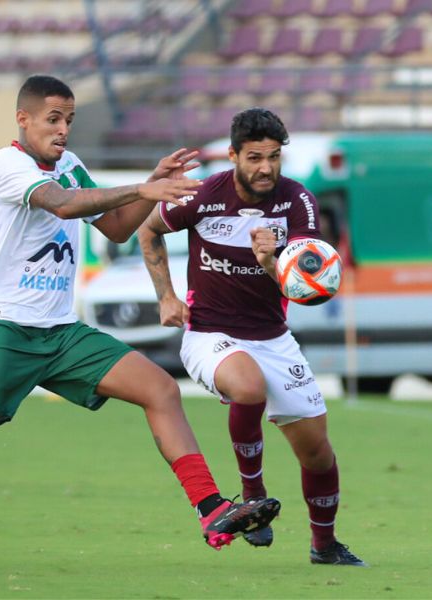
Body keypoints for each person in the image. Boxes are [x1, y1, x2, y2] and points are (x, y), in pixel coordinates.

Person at [0, 75, 280, 571]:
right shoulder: (8, 164)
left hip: (60, 331)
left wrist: (150, 184)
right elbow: (61, 203)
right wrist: (142, 186)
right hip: (4, 330)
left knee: (161, 389)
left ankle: (210, 510)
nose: (63, 129)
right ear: (23, 119)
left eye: (69, 120)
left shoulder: (71, 165)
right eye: (53, 119)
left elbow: (117, 229)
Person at [137, 107, 366, 566]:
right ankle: (253, 495)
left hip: (274, 339)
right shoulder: (203, 194)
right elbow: (148, 230)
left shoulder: (296, 201)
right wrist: (166, 296)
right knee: (247, 386)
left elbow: (305, 286)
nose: (266, 168)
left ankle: (324, 546)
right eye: (255, 157)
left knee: (318, 454)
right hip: (209, 333)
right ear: (234, 155)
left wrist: (270, 261)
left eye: (274, 157)